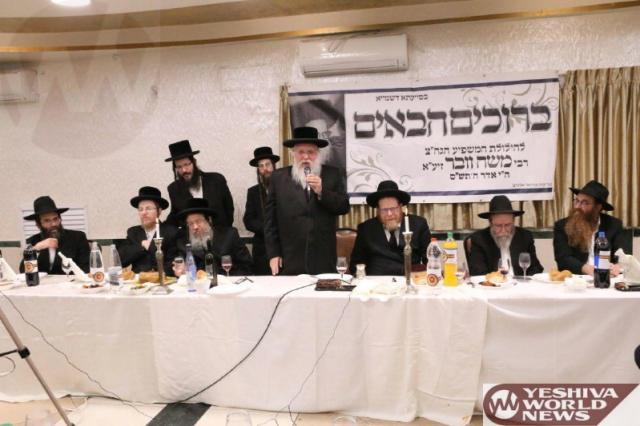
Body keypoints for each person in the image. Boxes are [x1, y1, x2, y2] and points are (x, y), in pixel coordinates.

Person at [264, 126, 350, 275]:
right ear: (293, 154)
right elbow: (270, 221)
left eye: (310, 152)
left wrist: (322, 192)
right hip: (290, 257)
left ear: (318, 153)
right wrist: (273, 253)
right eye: (301, 152)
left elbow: (343, 207)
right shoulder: (278, 178)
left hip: (323, 257)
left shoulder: (332, 174)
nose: (305, 157)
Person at [349, 180, 431, 275]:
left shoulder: (418, 224)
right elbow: (355, 265)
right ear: (378, 210)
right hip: (376, 281)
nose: (389, 214)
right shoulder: (366, 229)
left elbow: (429, 259)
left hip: (409, 279)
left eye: (393, 208)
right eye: (384, 210)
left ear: (401, 206)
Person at [553, 180, 629, 275]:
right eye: (577, 201)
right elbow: (563, 259)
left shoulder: (613, 225)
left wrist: (618, 266)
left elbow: (623, 255)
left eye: (585, 203)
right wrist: (587, 269)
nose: (578, 206)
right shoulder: (562, 225)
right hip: (576, 278)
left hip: (606, 278)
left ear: (598, 207)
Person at [172, 198, 252, 277]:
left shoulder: (230, 235)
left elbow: (247, 266)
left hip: (228, 282)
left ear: (209, 220)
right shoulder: (183, 243)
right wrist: (181, 270)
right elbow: (180, 268)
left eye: (198, 221)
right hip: (198, 284)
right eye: (190, 223)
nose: (195, 227)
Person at [467, 195, 544, 276]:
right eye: (498, 226)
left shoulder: (525, 237)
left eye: (507, 225)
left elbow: (536, 268)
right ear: (490, 223)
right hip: (493, 283)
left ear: (513, 221)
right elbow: (478, 272)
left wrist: (525, 281)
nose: (503, 230)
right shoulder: (479, 239)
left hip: (520, 283)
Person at [165, 139, 234, 227]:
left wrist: (225, 232)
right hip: (191, 234)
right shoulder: (173, 189)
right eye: (179, 167)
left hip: (220, 232)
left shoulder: (216, 180)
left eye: (186, 164)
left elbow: (229, 209)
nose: (184, 170)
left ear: (194, 162)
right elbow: (175, 216)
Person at [21, 196, 90, 274]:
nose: (53, 224)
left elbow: (86, 268)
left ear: (60, 219)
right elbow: (23, 271)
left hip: (70, 281)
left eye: (55, 219)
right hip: (43, 282)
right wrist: (37, 248)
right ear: (38, 225)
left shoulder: (78, 237)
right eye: (47, 221)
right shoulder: (34, 241)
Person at [118, 186, 178, 274]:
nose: (144, 213)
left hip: (163, 279)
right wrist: (141, 247)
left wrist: (150, 248)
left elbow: (172, 264)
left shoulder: (171, 232)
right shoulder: (133, 232)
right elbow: (121, 260)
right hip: (138, 280)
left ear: (159, 211)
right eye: (140, 209)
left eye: (148, 208)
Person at [243, 146, 279, 275]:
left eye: (267, 164)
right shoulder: (253, 192)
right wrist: (268, 229)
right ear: (258, 170)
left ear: (274, 166)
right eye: (261, 166)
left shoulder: (285, 188)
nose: (265, 169)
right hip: (261, 249)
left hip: (283, 247)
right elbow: (248, 220)